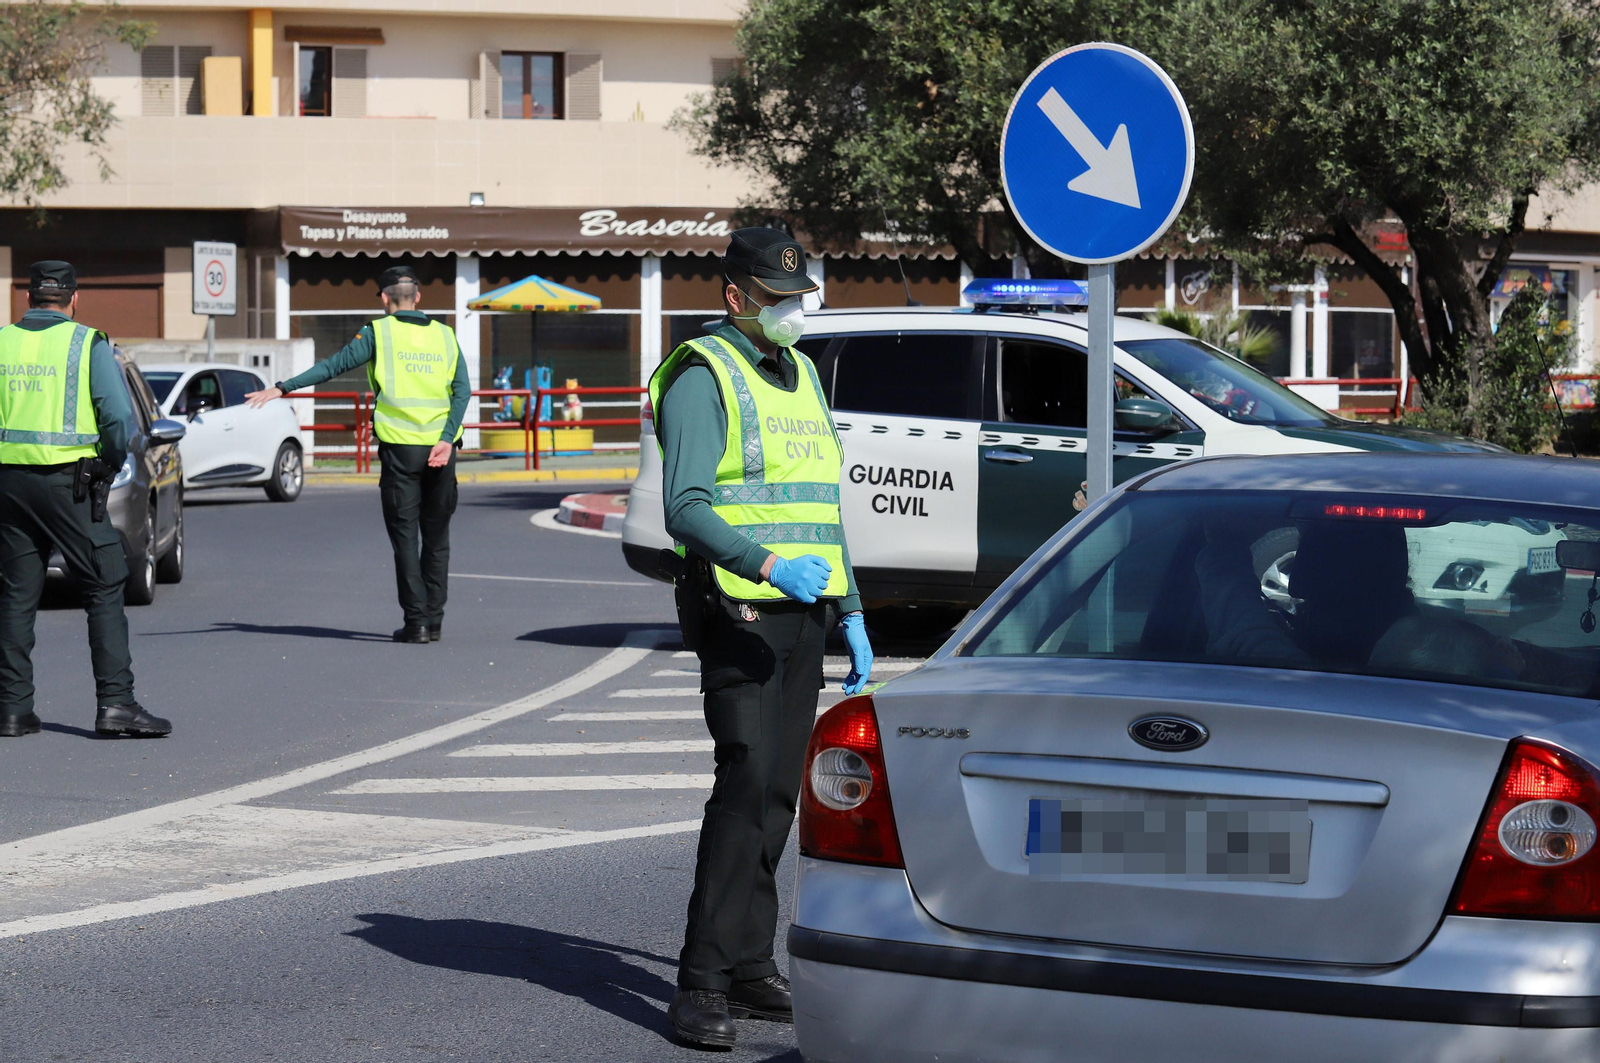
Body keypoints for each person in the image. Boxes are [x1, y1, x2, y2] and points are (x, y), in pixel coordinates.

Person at [651, 228, 874, 1048]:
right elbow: (687, 506)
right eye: (778, 298)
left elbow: (821, 501)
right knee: (745, 780)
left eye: (800, 297)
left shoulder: (804, 373)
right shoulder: (700, 375)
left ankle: (748, 963)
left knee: (781, 788)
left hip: (805, 610)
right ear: (735, 297)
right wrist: (769, 563)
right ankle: (701, 979)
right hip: (740, 606)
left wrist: (850, 607)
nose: (793, 310)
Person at [246, 265, 469, 643]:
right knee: (437, 539)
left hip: (401, 452)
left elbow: (333, 367)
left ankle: (416, 624)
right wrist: (447, 439)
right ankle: (434, 621)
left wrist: (283, 388)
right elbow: (462, 392)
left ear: (384, 298)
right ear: (419, 297)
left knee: (405, 540)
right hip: (441, 452)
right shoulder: (446, 336)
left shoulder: (378, 333)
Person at [0, 261, 170, 738]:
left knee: (17, 591)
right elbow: (117, 417)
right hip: (69, 483)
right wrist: (109, 466)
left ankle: (12, 710)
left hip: (10, 483)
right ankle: (116, 703)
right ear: (74, 300)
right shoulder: (86, 342)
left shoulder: (2, 341)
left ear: (28, 299)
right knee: (105, 577)